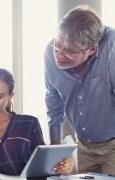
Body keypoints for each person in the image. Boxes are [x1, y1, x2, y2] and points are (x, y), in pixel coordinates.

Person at [44, 5, 115, 175]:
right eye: (58, 44)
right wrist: (55, 143)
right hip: (82, 145)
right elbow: (53, 96)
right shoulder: (49, 52)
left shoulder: (112, 49)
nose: (59, 55)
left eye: (69, 52)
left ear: (92, 50)